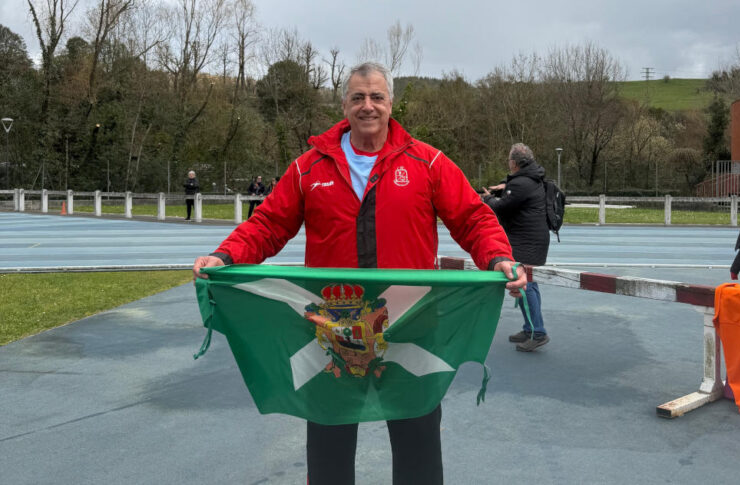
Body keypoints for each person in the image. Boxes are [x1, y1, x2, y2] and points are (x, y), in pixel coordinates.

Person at [193, 61, 527, 485]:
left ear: (391, 104)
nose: (367, 106)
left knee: (418, 446)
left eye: (376, 97)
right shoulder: (308, 168)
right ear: (344, 105)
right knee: (329, 447)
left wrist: (498, 256)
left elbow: (472, 218)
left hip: (409, 326)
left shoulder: (428, 162)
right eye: (357, 97)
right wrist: (225, 256)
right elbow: (268, 225)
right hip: (334, 330)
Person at [482, 143, 551, 352]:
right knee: (527, 282)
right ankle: (530, 327)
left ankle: (538, 332)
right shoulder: (531, 178)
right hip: (531, 238)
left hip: (526, 241)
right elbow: (514, 192)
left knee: (524, 283)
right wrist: (504, 187)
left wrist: (487, 199)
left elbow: (501, 208)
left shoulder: (521, 183)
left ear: (514, 163)